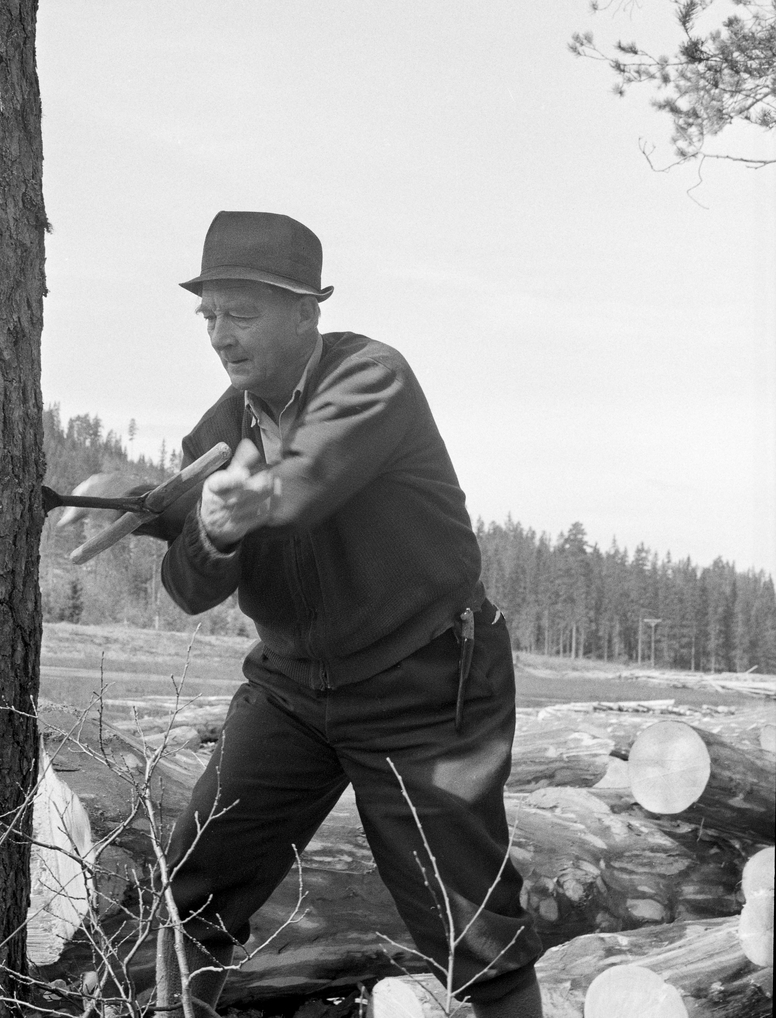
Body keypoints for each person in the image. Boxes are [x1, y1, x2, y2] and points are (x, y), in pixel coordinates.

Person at [148, 212, 544, 1018]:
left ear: (306, 311)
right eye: (209, 315)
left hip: (422, 683)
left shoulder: (372, 378)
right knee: (196, 879)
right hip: (292, 689)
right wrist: (203, 527)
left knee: (472, 929)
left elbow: (303, 484)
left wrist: (239, 507)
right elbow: (190, 586)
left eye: (242, 313)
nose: (221, 336)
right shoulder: (219, 433)